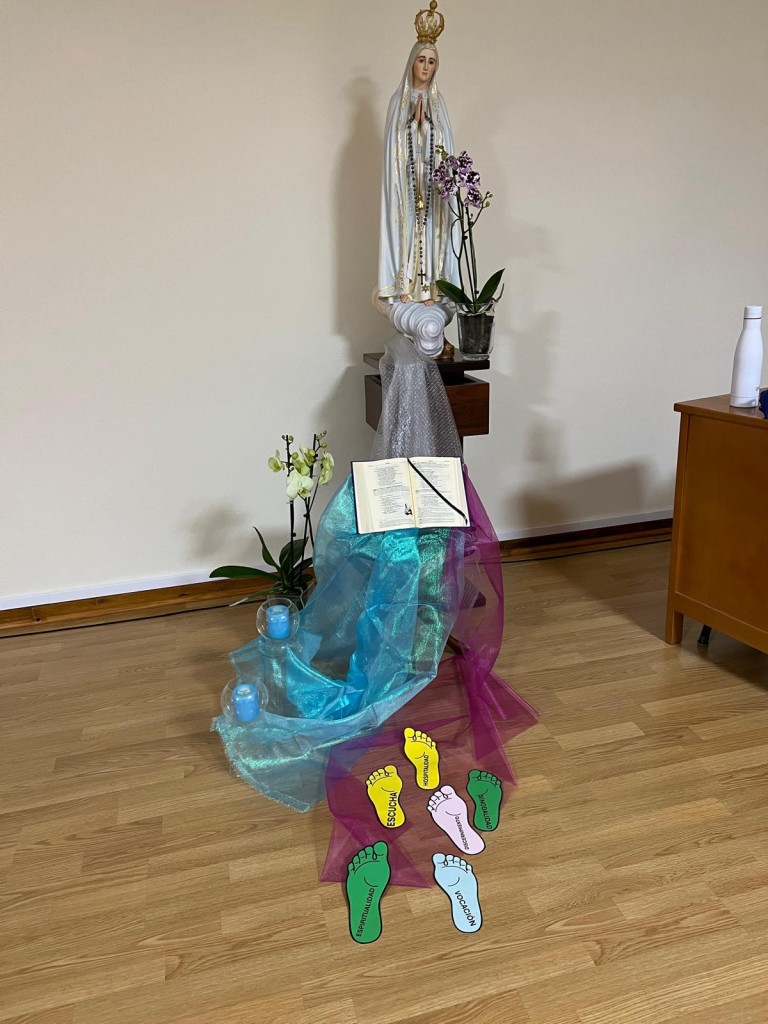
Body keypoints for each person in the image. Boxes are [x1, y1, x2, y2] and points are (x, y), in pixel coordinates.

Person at [377, 27, 459, 306]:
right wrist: (412, 125)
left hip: (431, 183)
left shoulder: (439, 103)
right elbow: (393, 146)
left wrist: (429, 127)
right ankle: (406, 285)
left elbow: (444, 144)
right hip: (407, 184)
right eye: (421, 60)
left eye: (431, 61)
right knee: (409, 229)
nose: (426, 66)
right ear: (411, 62)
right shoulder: (397, 102)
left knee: (432, 230)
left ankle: (430, 288)